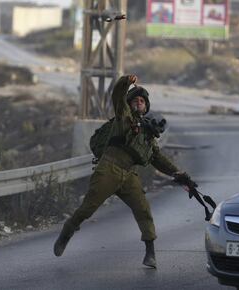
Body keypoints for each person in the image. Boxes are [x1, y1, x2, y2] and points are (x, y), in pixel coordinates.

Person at [53, 75, 193, 268]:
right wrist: (126, 81)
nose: (139, 103)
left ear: (146, 106)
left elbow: (158, 159)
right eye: (135, 100)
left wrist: (178, 173)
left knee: (143, 209)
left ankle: (150, 253)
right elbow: (118, 94)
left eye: (142, 101)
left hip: (128, 174)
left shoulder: (148, 134)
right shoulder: (123, 117)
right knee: (88, 208)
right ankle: (67, 232)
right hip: (109, 168)